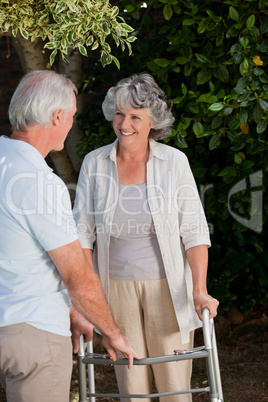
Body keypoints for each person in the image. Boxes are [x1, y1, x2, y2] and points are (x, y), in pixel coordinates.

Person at [73, 72, 219, 401]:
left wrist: (199, 289)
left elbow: (194, 230)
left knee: (174, 386)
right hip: (116, 290)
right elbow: (82, 236)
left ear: (153, 121)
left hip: (169, 288)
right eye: (120, 113)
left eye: (135, 116)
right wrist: (86, 297)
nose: (125, 124)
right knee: (132, 387)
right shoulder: (94, 163)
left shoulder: (174, 162)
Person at [0, 70, 140, 402]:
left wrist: (74, 312)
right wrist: (113, 332)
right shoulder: (39, 182)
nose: (71, 124)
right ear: (57, 116)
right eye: (72, 116)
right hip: (32, 335)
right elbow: (78, 276)